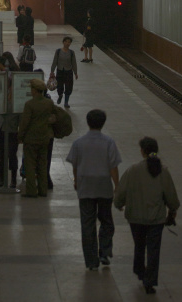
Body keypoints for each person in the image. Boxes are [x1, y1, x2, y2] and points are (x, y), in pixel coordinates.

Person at [114, 137, 180, 295]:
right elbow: (171, 196)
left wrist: (118, 203)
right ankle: (149, 282)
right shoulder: (163, 171)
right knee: (153, 249)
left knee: (139, 244)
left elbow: (121, 191)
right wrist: (173, 209)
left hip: (135, 217)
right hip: (156, 219)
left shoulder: (133, 170)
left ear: (142, 151)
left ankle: (139, 270)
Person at [66, 109, 121, 270]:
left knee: (87, 224)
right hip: (104, 187)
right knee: (107, 221)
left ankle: (91, 261)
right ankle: (104, 251)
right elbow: (113, 166)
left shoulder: (79, 143)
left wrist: (76, 180)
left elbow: (75, 164)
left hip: (86, 187)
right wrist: (117, 185)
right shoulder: (109, 142)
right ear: (103, 123)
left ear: (88, 122)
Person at [17, 78, 57, 198]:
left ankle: (31, 191)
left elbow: (24, 123)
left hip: (31, 139)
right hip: (44, 138)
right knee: (42, 165)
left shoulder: (29, 104)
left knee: (30, 165)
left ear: (34, 90)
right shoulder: (49, 103)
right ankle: (43, 190)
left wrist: (20, 136)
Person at [50, 36, 78, 108]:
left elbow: (74, 63)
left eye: (69, 42)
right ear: (63, 42)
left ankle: (66, 102)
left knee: (68, 87)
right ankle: (60, 95)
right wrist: (52, 71)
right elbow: (55, 61)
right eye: (66, 41)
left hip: (68, 72)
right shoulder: (58, 51)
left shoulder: (72, 52)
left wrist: (75, 72)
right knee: (59, 86)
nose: (68, 43)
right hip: (60, 71)